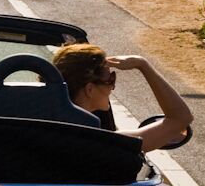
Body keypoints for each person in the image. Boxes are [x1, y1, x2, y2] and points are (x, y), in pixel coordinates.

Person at [53, 43, 193, 152]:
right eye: (111, 79)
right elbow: (181, 118)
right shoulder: (106, 142)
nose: (112, 88)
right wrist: (142, 64)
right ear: (89, 89)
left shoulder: (37, 129)